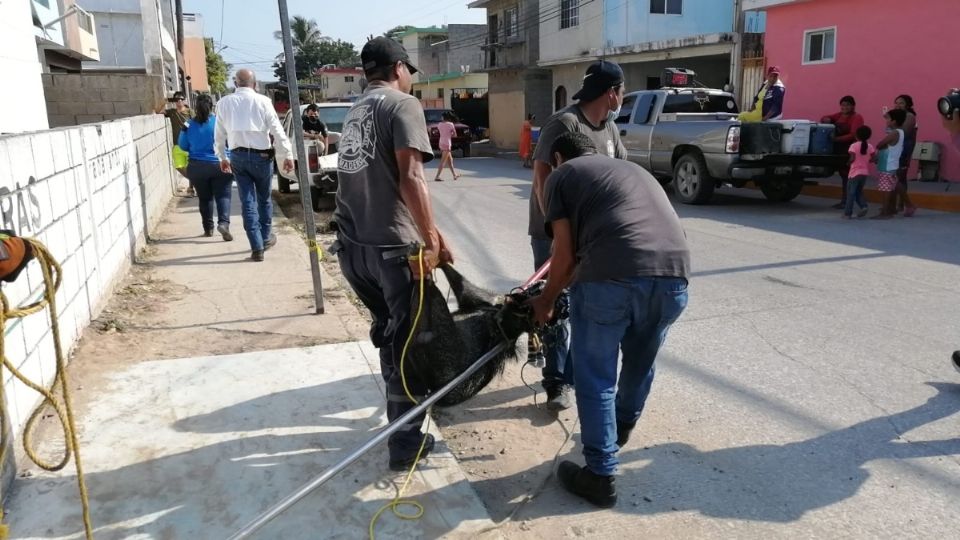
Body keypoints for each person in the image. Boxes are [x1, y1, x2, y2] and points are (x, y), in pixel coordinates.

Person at [530, 132, 690, 508]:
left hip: (612, 280)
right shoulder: (631, 170)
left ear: (557, 157)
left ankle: (600, 475)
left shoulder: (561, 176)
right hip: (674, 278)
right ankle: (620, 429)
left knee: (596, 374)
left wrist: (547, 300)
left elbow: (564, 255)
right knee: (640, 361)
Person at [333, 37, 453, 471]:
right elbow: (411, 177)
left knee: (390, 333)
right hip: (393, 253)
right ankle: (404, 442)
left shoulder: (354, 110)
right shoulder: (402, 105)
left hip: (354, 250)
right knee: (410, 345)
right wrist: (431, 241)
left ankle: (396, 422)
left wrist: (434, 232)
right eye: (409, 73)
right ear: (400, 68)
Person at [528, 59, 633, 411]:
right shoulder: (565, 123)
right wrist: (555, 231)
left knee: (585, 304)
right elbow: (542, 176)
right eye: (623, 89)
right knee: (555, 302)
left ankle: (572, 376)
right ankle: (555, 381)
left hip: (593, 237)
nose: (624, 96)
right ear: (611, 92)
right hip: (553, 234)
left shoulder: (610, 129)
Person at [214, 68, 294, 262]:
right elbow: (277, 130)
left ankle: (256, 246)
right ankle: (265, 237)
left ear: (236, 84)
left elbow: (219, 134)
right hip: (262, 157)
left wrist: (222, 157)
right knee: (264, 199)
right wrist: (287, 154)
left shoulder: (223, 103)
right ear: (255, 84)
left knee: (247, 202)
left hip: (238, 157)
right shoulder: (263, 101)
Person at [178, 94, 234, 241]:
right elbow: (230, 143)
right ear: (212, 107)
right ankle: (223, 223)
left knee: (205, 198)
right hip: (221, 164)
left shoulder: (188, 124)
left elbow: (182, 146)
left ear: (195, 106)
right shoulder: (220, 122)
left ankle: (208, 229)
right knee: (223, 195)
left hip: (197, 167)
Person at [822, 96, 865, 209]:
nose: (845, 107)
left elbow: (853, 134)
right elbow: (825, 117)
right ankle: (845, 201)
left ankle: (850, 202)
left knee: (849, 177)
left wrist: (837, 139)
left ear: (853, 106)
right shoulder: (839, 115)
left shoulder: (857, 117)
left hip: (850, 150)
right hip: (840, 149)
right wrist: (827, 120)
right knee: (843, 175)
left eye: (847, 105)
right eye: (843, 105)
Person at [871, 109, 910, 219]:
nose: (886, 121)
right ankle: (896, 207)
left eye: (888, 118)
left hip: (887, 165)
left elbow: (880, 144)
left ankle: (885, 211)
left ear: (894, 121)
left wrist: (881, 146)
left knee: (885, 189)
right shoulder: (900, 132)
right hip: (892, 164)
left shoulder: (895, 133)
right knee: (893, 185)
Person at [158, 91, 194, 194]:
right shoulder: (172, 112)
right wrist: (164, 102)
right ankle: (196, 180)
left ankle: (191, 189)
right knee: (179, 166)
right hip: (177, 144)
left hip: (189, 144)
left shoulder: (190, 112)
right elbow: (158, 112)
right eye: (176, 99)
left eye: (181, 99)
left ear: (184, 100)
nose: (179, 101)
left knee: (189, 166)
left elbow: (197, 123)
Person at [894, 95, 919, 214]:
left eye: (901, 103)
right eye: (896, 103)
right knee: (898, 177)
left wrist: (892, 124)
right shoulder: (896, 116)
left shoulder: (910, 116)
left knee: (899, 176)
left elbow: (903, 132)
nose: (898, 105)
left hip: (904, 149)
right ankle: (899, 204)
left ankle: (904, 204)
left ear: (908, 105)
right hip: (896, 148)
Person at [842, 126, 874, 219]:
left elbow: (852, 158)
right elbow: (874, 158)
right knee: (859, 191)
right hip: (864, 173)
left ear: (856, 135)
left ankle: (847, 213)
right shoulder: (870, 146)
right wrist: (867, 160)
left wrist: (847, 163)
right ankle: (863, 206)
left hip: (854, 173)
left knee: (850, 193)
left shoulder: (853, 145)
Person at [434, 112, 461, 181]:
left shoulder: (439, 124)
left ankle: (454, 175)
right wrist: (450, 134)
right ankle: (437, 176)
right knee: (443, 161)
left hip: (441, 142)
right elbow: (455, 135)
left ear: (443, 117)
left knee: (450, 160)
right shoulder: (451, 124)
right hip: (447, 143)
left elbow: (440, 131)